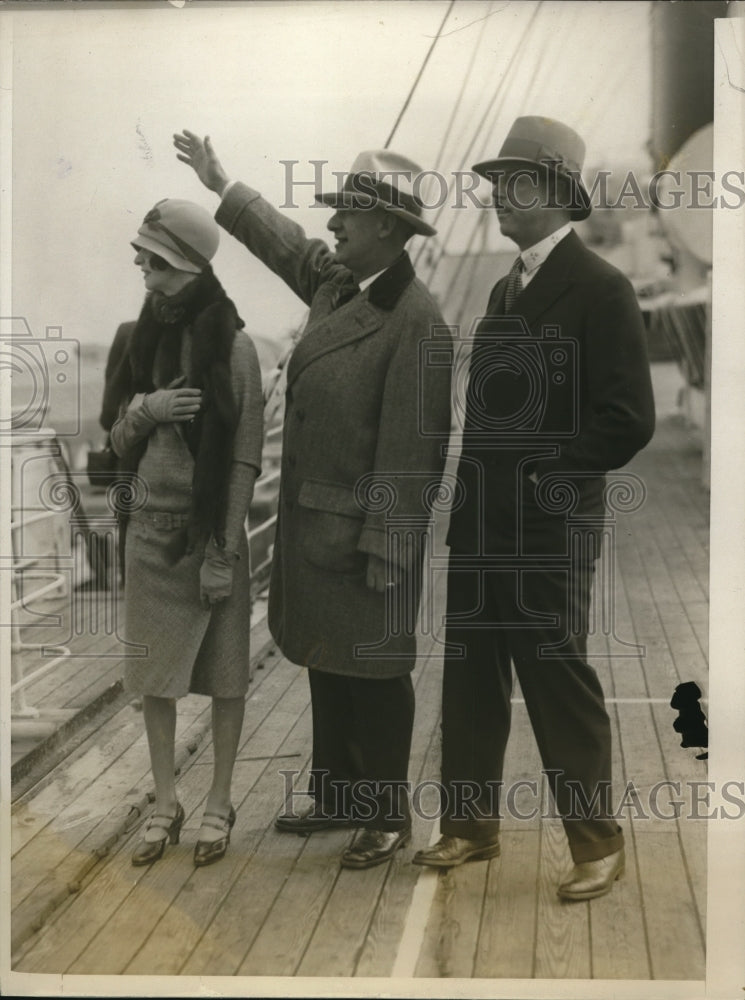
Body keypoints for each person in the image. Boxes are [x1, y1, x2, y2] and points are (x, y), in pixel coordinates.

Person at [174, 131, 452, 870]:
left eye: (347, 215)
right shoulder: (337, 285)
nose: (332, 225)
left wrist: (390, 546)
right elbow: (284, 244)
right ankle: (337, 795)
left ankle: (386, 814)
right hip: (317, 525)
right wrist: (222, 182)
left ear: (388, 228)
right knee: (328, 661)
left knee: (374, 672)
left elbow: (413, 450)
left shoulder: (416, 321)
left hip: (363, 535)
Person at [413, 117, 655, 901]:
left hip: (548, 526)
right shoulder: (502, 285)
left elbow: (626, 418)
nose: (495, 198)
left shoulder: (601, 288)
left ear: (555, 193)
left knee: (556, 679)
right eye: (493, 184)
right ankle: (470, 825)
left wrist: (542, 472)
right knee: (470, 674)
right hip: (482, 522)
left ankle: (596, 842)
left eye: (512, 183)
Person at [110, 198, 263, 867]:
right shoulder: (133, 340)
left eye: (155, 263)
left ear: (186, 267)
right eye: (143, 260)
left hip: (211, 540)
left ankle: (218, 801)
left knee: (226, 677)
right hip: (149, 534)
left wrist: (223, 554)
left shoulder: (235, 347)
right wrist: (148, 408)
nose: (144, 273)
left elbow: (244, 459)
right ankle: (165, 801)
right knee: (155, 680)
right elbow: (117, 441)